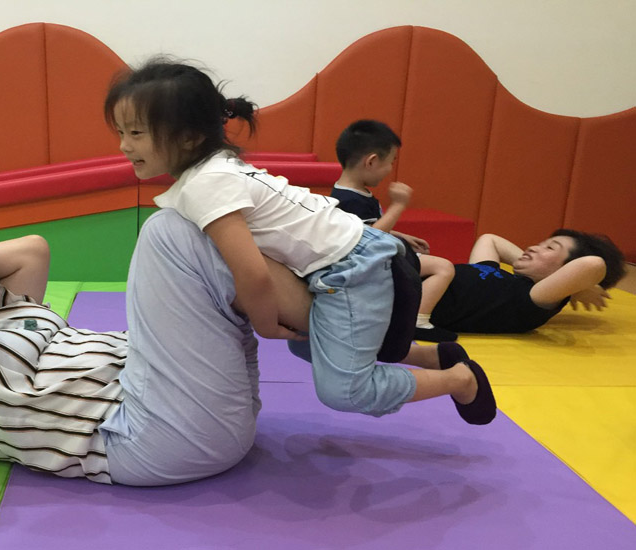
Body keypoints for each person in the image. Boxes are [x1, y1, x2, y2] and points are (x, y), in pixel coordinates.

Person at [0, 215, 484, 487]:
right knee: (173, 235)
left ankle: (410, 353)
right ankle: (369, 293)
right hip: (152, 436)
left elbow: (31, 249)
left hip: (171, 401)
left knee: (194, 242)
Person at [104, 57, 496, 426]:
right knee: (306, 344)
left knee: (346, 390)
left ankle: (460, 380)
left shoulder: (206, 185)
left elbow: (252, 272)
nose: (124, 145)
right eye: (121, 132)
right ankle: (429, 355)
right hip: (350, 254)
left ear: (190, 137)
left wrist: (265, 325)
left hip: (354, 268)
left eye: (136, 133)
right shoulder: (216, 169)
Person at [330, 119, 457, 343]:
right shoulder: (349, 200)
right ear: (371, 161)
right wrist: (398, 205)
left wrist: (400, 235)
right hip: (370, 265)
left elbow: (367, 226)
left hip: (378, 258)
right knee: (443, 268)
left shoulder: (354, 191)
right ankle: (418, 321)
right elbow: (366, 238)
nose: (390, 170)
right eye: (390, 162)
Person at [427, 230, 626, 334]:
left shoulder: (531, 299)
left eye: (550, 248)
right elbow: (490, 239)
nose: (532, 247)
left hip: (415, 295)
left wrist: (576, 287)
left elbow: (594, 264)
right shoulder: (496, 274)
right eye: (540, 244)